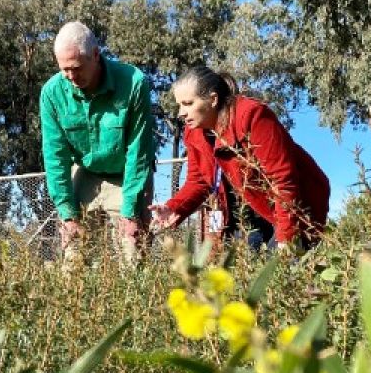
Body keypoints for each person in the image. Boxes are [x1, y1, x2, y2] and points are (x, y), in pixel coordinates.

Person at [150, 65, 330, 251]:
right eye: (179, 104)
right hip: (243, 212)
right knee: (238, 273)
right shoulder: (193, 133)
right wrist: (173, 207)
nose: (181, 112)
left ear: (213, 99)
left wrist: (287, 237)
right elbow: (199, 180)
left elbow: (283, 179)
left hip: (292, 206)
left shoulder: (252, 115)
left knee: (281, 272)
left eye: (188, 104)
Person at [40, 21, 155, 262]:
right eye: (64, 70)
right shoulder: (52, 92)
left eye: (77, 68)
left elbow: (139, 151)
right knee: (75, 259)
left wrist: (131, 212)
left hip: (127, 174)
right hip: (84, 171)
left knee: (132, 253)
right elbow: (55, 156)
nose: (71, 77)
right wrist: (68, 215)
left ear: (95, 55)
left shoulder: (133, 82)